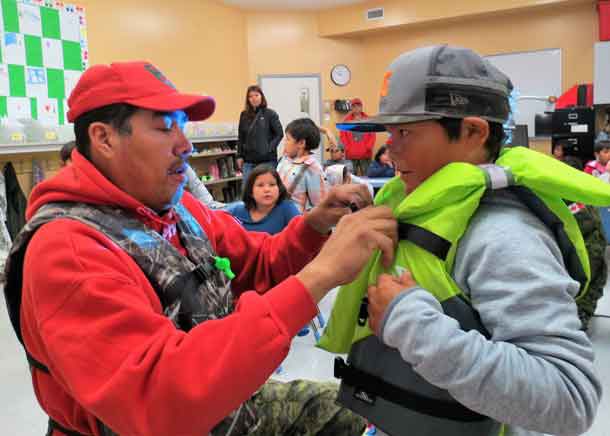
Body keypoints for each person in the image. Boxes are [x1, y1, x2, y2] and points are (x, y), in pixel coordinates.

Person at [2, 61, 399, 436]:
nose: (186, 145)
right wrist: (321, 274)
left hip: (224, 404)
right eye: (165, 128)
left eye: (183, 127)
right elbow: (160, 398)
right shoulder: (66, 250)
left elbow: (260, 264)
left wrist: (313, 227)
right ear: (104, 138)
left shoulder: (179, 208)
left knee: (369, 411)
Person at [322, 45, 603, 436]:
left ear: (473, 131)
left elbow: (570, 400)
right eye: (389, 132)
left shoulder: (502, 236)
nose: (390, 149)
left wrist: (410, 322)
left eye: (406, 132)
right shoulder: (415, 208)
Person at [561, 155, 607, 332]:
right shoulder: (577, 195)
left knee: (587, 284)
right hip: (586, 257)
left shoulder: (577, 202)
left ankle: (580, 316)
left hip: (589, 257)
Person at [228, 165, 300, 235]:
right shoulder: (236, 210)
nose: (267, 189)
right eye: (260, 185)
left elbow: (302, 234)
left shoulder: (287, 208)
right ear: (250, 192)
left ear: (279, 189)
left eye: (272, 184)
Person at [277, 118, 329, 213]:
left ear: (301, 143)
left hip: (296, 221)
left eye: (288, 139)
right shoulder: (284, 160)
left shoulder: (312, 167)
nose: (284, 142)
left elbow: (319, 204)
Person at [237, 85, 283, 184]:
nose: (254, 98)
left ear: (261, 96)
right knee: (247, 190)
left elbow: (279, 134)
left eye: (256, 95)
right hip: (248, 161)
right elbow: (241, 137)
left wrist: (268, 148)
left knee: (266, 189)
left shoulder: (270, 114)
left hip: (267, 161)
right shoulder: (244, 115)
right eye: (250, 96)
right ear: (248, 99)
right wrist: (239, 156)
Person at [340, 98, 376, 176]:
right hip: (351, 155)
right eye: (354, 106)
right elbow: (343, 136)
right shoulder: (346, 121)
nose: (356, 108)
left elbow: (372, 134)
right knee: (351, 177)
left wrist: (368, 147)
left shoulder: (368, 119)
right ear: (351, 108)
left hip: (366, 155)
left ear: (361, 107)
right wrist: (347, 148)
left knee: (368, 177)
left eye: (358, 105)